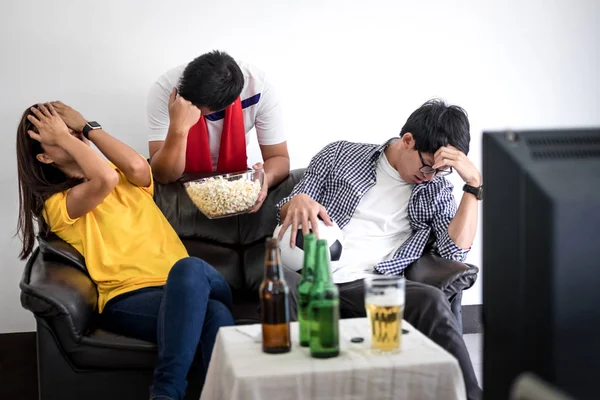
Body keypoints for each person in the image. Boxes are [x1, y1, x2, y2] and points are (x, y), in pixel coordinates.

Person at [16, 102, 234, 400]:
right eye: (57, 136)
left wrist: (85, 127)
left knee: (189, 268)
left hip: (189, 285)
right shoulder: (58, 206)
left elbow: (136, 167)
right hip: (130, 300)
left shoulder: (126, 175)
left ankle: (166, 393)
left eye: (70, 131)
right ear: (44, 156)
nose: (69, 135)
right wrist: (67, 137)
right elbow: (103, 180)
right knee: (215, 313)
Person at [276, 99, 483, 400]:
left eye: (441, 172)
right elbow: (288, 209)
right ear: (408, 140)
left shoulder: (435, 189)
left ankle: (472, 395)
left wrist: (473, 185)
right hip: (312, 274)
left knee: (431, 299)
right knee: (285, 289)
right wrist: (295, 202)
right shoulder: (339, 155)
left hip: (373, 283)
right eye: (427, 166)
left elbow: (453, 255)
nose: (430, 176)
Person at [147, 50, 290, 212]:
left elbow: (279, 157)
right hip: (180, 185)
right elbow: (163, 175)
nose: (194, 110)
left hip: (233, 185)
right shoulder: (166, 89)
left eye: (199, 110)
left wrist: (264, 180)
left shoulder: (259, 88)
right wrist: (178, 129)